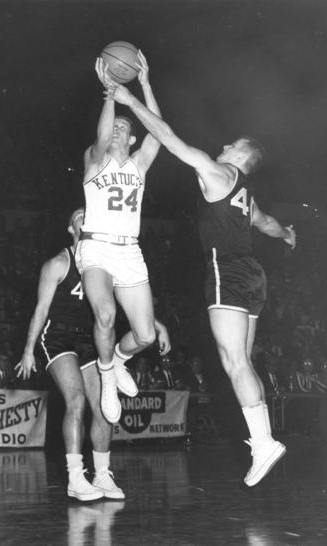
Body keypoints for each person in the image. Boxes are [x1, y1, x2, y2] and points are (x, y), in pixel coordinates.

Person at [107, 81, 296, 487]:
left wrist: (130, 99)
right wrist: (288, 236)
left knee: (235, 362)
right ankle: (262, 439)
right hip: (253, 273)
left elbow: (168, 138)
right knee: (242, 360)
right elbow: (266, 224)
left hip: (226, 270)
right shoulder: (247, 194)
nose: (224, 145)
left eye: (232, 145)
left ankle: (264, 443)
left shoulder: (219, 172)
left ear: (241, 155)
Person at [16, 208, 171, 501]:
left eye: (90, 213)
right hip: (58, 338)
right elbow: (40, 310)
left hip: (89, 339)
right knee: (75, 400)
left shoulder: (103, 266)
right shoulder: (58, 264)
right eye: (78, 215)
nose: (86, 216)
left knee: (103, 406)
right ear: (71, 228)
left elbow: (129, 303)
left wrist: (157, 325)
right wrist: (27, 350)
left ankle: (102, 474)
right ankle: (76, 476)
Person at [75, 51, 162, 425]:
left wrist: (143, 84)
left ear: (132, 137)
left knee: (145, 336)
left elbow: (159, 130)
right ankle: (107, 376)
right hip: (96, 247)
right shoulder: (94, 160)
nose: (115, 131)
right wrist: (110, 94)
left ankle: (120, 360)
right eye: (113, 127)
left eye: (123, 128)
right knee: (106, 314)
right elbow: (99, 134)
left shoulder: (139, 164)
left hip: (130, 252)